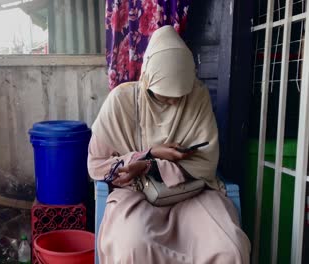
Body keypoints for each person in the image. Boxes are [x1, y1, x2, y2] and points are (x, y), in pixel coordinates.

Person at [89, 26, 250, 263]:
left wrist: (158, 165)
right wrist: (145, 158)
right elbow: (98, 164)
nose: (175, 101)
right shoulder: (121, 101)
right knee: (132, 246)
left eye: (180, 95)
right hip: (136, 193)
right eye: (165, 95)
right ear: (148, 79)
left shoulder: (197, 96)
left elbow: (206, 162)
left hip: (192, 191)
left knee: (229, 247)